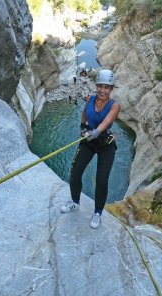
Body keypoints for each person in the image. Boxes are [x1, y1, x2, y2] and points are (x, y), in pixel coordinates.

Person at [61, 69, 121, 229]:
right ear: (96, 86)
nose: (103, 90)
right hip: (88, 140)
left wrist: (96, 131)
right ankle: (75, 202)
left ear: (111, 89)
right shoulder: (91, 99)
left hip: (105, 144)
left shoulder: (114, 105)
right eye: (100, 86)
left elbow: (107, 121)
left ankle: (98, 213)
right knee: (75, 172)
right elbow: (84, 114)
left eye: (106, 87)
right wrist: (83, 127)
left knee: (101, 180)